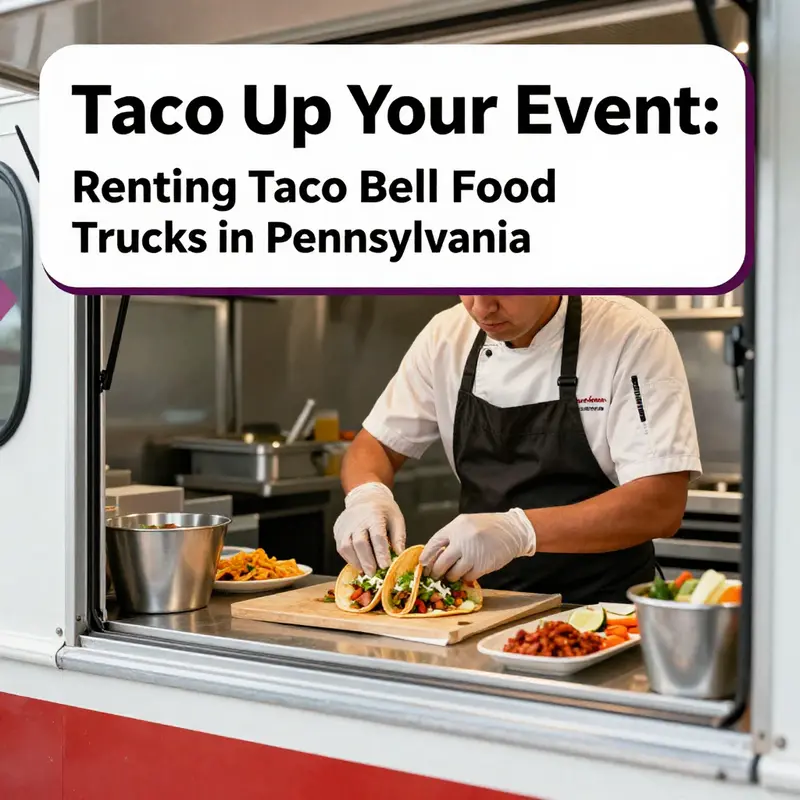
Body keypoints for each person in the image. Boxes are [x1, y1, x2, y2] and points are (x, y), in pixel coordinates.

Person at [333, 295, 702, 604]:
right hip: (478, 609)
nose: (481, 308)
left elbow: (661, 503)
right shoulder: (446, 336)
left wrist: (518, 531)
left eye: (502, 287)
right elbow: (374, 445)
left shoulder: (629, 335)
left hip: (602, 610)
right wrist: (367, 495)